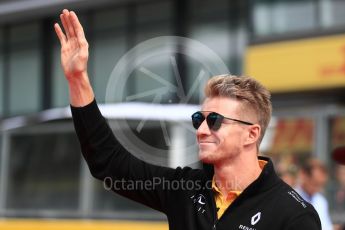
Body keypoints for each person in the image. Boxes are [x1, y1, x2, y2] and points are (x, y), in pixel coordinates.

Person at [54, 9, 321, 230]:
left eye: (215, 120)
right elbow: (108, 162)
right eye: (198, 119)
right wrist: (78, 79)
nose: (202, 130)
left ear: (251, 134)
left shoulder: (294, 215)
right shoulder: (186, 189)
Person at [295, 158, 333, 230]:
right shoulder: (290, 198)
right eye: (315, 183)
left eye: (321, 185)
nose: (318, 189)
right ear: (304, 175)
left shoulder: (321, 201)